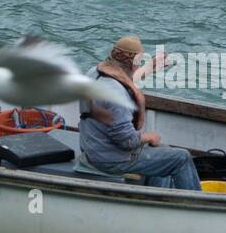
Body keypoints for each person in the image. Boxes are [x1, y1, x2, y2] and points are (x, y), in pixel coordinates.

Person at [79, 35, 201, 190]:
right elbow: (127, 141)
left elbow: (123, 80)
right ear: (133, 64)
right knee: (181, 157)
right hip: (111, 161)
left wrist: (150, 67)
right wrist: (150, 136)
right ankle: (198, 206)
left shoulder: (93, 74)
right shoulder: (117, 97)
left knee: (162, 152)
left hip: (93, 150)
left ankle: (157, 199)